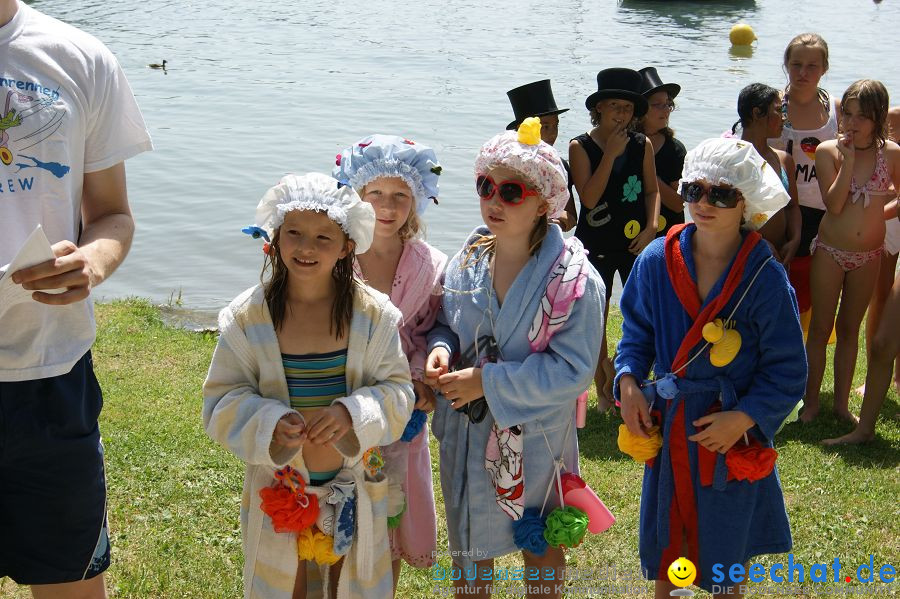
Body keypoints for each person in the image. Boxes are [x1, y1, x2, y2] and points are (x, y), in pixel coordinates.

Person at [0, 1, 152, 597]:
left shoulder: (80, 57)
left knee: (72, 585)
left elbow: (112, 214)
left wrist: (91, 262)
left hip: (52, 377)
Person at [202, 173, 415, 599]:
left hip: (351, 482)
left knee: (349, 586)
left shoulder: (373, 317)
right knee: (284, 587)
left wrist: (351, 414)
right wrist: (269, 421)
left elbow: (398, 391)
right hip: (279, 489)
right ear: (275, 237)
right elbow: (220, 400)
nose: (306, 247)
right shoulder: (248, 318)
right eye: (294, 233)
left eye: (323, 237)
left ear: (347, 245)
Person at [615, 138, 806, 598]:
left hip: (729, 429)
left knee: (726, 553)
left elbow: (787, 367)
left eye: (721, 194)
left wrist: (745, 417)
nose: (703, 203)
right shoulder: (657, 260)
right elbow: (635, 335)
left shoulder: (763, 274)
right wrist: (628, 382)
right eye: (693, 190)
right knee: (668, 543)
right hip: (672, 422)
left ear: (747, 202)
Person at [425, 121, 604, 599]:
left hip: (536, 434)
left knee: (539, 537)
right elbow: (446, 320)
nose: (494, 201)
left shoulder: (574, 279)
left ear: (546, 202)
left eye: (511, 191)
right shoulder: (469, 255)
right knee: (468, 543)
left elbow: (573, 370)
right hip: (466, 427)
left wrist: (488, 382)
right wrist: (440, 349)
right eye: (486, 186)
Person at [332, 135, 446, 592]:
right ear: (355, 197)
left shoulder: (431, 264)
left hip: (405, 405)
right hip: (346, 398)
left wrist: (424, 371)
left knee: (392, 511)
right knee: (341, 508)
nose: (387, 205)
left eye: (400, 196)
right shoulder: (336, 257)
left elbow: (439, 327)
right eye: (374, 194)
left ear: (416, 202)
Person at [804, 80, 900, 424]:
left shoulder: (891, 153)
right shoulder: (829, 150)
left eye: (862, 116)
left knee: (849, 329)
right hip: (831, 250)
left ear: (877, 118)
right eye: (847, 113)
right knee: (820, 328)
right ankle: (811, 401)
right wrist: (847, 162)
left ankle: (841, 406)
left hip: (869, 255)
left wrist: (879, 211)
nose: (852, 123)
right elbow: (835, 204)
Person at [570, 67, 660, 411]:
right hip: (595, 242)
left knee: (643, 311)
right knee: (595, 316)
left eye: (627, 108)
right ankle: (603, 389)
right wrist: (610, 154)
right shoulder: (581, 146)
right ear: (600, 109)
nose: (621, 115)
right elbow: (589, 198)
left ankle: (634, 377)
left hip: (635, 240)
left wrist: (652, 228)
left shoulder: (643, 144)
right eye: (614, 107)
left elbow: (652, 191)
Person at [771, 33, 840, 337]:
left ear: (824, 68)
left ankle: (801, 361)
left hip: (824, 214)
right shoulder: (770, 107)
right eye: (796, 64)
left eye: (812, 65)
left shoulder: (836, 110)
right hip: (778, 212)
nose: (803, 72)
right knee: (776, 289)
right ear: (785, 65)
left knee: (813, 294)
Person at [733, 83, 801, 265]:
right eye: (778, 110)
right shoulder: (732, 161)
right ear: (757, 113)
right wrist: (756, 243)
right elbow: (721, 214)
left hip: (780, 256)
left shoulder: (784, 159)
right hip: (743, 257)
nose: (784, 118)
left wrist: (794, 239)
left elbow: (792, 207)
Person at [505, 79, 578, 231]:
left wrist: (560, 221)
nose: (552, 133)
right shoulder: (505, 165)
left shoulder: (559, 166)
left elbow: (571, 217)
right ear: (522, 128)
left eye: (555, 125)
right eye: (544, 126)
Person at [636, 66, 687, 238]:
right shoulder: (624, 144)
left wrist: (650, 176)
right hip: (631, 229)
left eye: (668, 104)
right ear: (640, 110)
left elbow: (679, 204)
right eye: (658, 105)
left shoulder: (674, 149)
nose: (666, 110)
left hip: (667, 233)